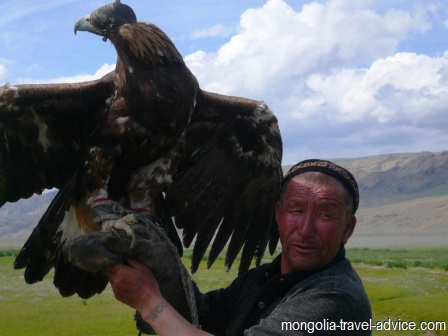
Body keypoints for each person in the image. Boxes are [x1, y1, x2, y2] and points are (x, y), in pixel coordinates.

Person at [106, 159, 372, 335]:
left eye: (326, 215)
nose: (305, 229)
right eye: (296, 210)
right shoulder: (261, 280)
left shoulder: (336, 299)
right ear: (278, 215)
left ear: (348, 228)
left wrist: (148, 301)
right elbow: (202, 318)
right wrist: (156, 268)